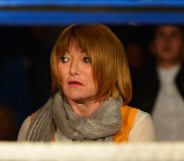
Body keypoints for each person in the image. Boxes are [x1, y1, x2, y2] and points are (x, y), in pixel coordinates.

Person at [18, 24, 156, 142]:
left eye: (86, 60)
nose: (73, 70)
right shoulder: (31, 125)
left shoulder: (136, 124)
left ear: (109, 66)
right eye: (65, 59)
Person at [130, 25, 184, 141]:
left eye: (174, 35)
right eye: (161, 35)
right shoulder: (137, 86)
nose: (167, 41)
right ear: (152, 45)